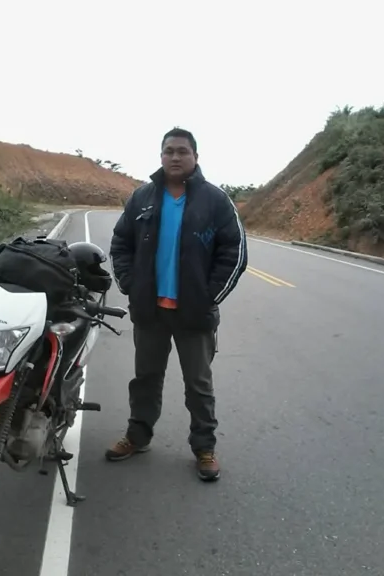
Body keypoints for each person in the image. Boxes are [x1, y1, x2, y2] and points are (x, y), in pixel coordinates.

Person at [106, 127, 248, 481]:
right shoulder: (142, 198)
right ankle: (137, 436)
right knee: (145, 379)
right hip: (150, 311)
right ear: (161, 156)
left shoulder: (215, 200)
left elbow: (234, 251)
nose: (175, 156)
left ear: (195, 157)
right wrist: (131, 286)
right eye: (169, 150)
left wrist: (207, 297)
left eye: (182, 151)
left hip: (193, 315)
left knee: (198, 385)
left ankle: (204, 448)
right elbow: (121, 243)